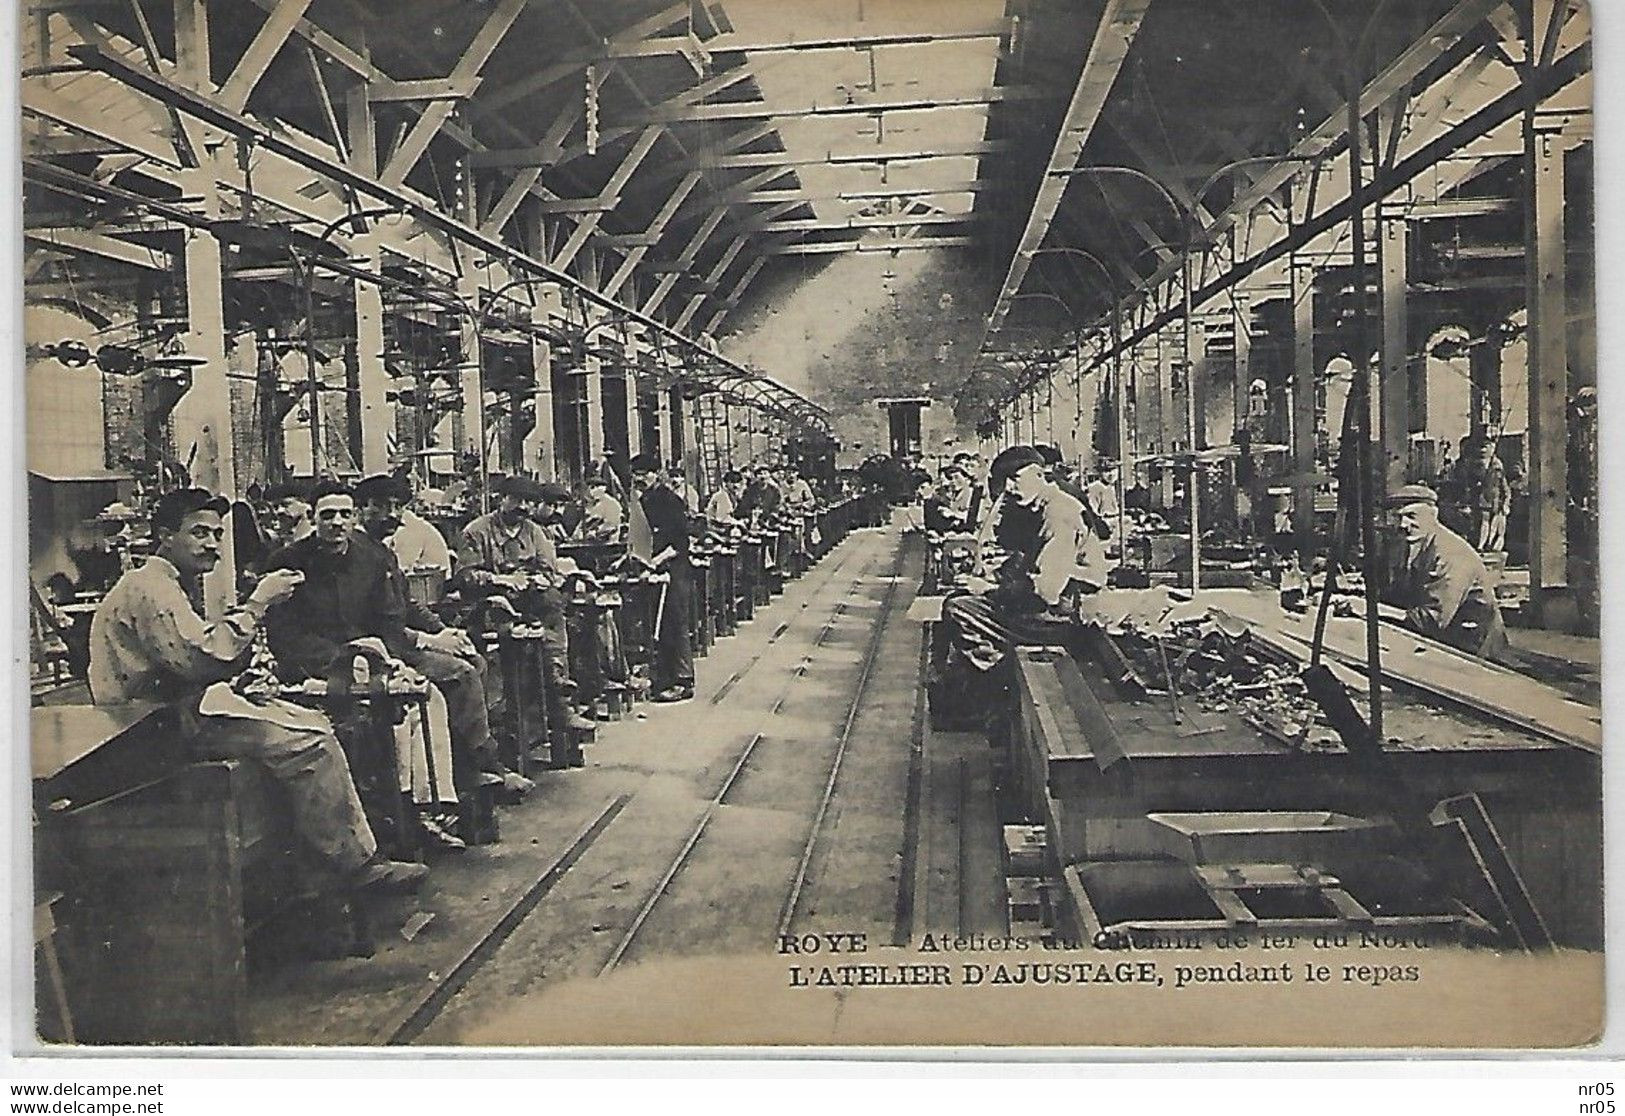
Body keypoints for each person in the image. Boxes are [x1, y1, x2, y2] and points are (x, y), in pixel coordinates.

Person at [89, 487, 426, 893]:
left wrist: (240, 680)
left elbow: (189, 659)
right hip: (151, 730)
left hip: (163, 714)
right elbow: (202, 657)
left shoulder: (164, 583)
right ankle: (347, 868)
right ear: (165, 536)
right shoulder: (151, 588)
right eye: (198, 533)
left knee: (305, 717)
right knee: (310, 740)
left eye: (216, 534)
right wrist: (257, 603)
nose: (211, 544)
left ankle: (327, 855)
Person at [264, 481, 529, 798]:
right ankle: (468, 771)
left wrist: (439, 632)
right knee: (455, 677)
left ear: (353, 518)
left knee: (467, 665)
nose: (337, 523)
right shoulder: (288, 561)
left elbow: (396, 611)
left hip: (381, 652)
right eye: (328, 515)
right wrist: (344, 658)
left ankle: (470, 767)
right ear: (313, 516)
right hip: (320, 665)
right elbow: (284, 634)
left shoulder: (373, 556)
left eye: (344, 515)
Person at [942, 446, 1102, 675]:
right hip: (1055, 609)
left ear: (1039, 474)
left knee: (959, 609)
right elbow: (1026, 560)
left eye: (1015, 479)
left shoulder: (1059, 513)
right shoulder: (1044, 506)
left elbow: (1046, 590)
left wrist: (990, 588)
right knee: (961, 600)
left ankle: (996, 676)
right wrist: (992, 577)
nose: (1008, 487)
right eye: (1005, 481)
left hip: (1067, 618)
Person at [457, 475, 595, 738]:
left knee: (553, 605)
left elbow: (549, 568)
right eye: (517, 500)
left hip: (530, 600)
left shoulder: (534, 532)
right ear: (502, 499)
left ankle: (559, 694)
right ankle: (515, 713)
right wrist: (500, 579)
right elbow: (465, 576)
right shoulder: (476, 531)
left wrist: (537, 579)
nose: (523, 507)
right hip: (490, 602)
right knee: (511, 631)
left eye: (529, 503)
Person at [1383, 484, 1512, 663]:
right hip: (1441, 643)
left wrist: (1376, 611)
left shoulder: (1450, 552)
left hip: (1476, 653)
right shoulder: (1412, 544)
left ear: (1433, 516)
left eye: (1412, 516)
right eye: (1398, 517)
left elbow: (1434, 619)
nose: (1404, 525)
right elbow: (1399, 594)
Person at [630, 453, 696, 703]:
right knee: (659, 625)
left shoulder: (670, 500)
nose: (640, 479)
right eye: (636, 475)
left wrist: (655, 562)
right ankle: (663, 677)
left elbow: (679, 541)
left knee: (675, 622)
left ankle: (683, 680)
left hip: (674, 569)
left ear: (657, 474)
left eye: (644, 474)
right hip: (654, 568)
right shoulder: (644, 499)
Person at [1469, 438, 1512, 553]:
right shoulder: (1478, 464)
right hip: (1484, 497)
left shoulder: (1497, 466)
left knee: (1495, 524)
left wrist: (1506, 501)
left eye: (1487, 447)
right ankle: (1482, 544)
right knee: (1484, 521)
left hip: (1496, 498)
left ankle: (1490, 543)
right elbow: (1475, 478)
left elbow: (1503, 485)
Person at [577, 475, 624, 543]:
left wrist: (595, 531)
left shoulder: (611, 503)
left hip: (607, 544)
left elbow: (612, 525)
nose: (590, 490)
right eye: (589, 488)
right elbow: (583, 525)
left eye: (592, 487)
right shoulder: (590, 504)